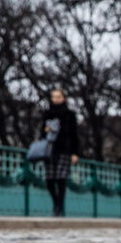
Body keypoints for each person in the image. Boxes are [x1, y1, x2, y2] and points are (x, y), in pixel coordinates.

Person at [41, 88, 80, 217]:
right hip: (50, 149)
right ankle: (56, 202)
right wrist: (46, 130)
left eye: (59, 97)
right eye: (54, 97)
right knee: (49, 179)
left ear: (64, 98)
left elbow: (74, 134)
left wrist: (75, 153)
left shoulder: (70, 114)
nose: (56, 99)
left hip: (65, 149)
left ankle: (59, 207)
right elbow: (41, 133)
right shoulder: (47, 114)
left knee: (61, 178)